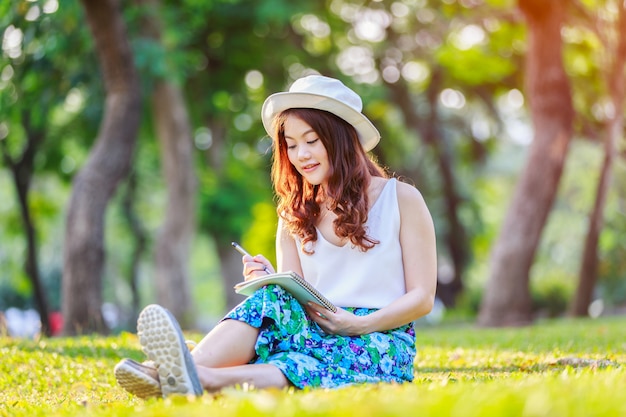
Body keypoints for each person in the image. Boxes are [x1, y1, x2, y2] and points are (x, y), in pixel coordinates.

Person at [114, 74, 437, 398]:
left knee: (300, 362)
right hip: (318, 328)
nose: (301, 156)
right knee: (275, 307)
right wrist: (274, 279)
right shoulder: (294, 213)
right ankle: (191, 371)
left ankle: (187, 374)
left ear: (341, 138)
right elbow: (300, 299)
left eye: (311, 141)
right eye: (291, 145)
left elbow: (422, 297)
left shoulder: (402, 199)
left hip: (380, 339)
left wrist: (357, 324)